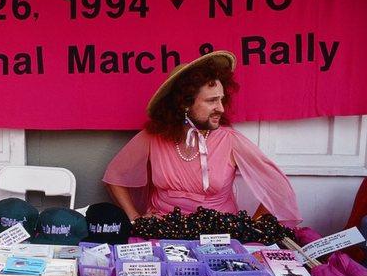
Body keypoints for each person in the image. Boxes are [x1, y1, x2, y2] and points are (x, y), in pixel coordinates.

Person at [103, 50, 301, 227]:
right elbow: (115, 177)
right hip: (163, 231)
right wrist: (134, 217)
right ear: (184, 104)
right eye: (211, 100)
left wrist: (250, 228)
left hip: (217, 235)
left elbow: (278, 189)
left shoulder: (230, 140)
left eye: (221, 99)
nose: (221, 109)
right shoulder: (152, 137)